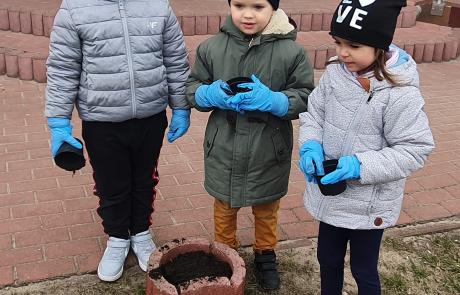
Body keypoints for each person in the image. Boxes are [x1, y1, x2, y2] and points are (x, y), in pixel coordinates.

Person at [45, 0, 190, 282]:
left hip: (150, 115)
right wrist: (59, 121)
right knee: (112, 184)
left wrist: (181, 106)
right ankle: (117, 238)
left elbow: (175, 59)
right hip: (102, 120)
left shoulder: (158, 6)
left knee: (145, 179)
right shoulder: (74, 9)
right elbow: (62, 67)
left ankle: (141, 232)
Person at [298, 0, 435, 294]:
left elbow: (414, 148)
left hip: (370, 202)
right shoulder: (336, 72)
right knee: (327, 259)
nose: (342, 52)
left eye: (354, 45)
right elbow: (314, 113)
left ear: (380, 45)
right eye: (337, 42)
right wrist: (310, 143)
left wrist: (359, 165)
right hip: (332, 195)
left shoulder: (400, 93)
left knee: (363, 268)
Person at [186, 0, 314, 290]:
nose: (247, 14)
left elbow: (305, 94)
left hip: (268, 148)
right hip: (224, 146)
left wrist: (277, 100)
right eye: (239, 5)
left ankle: (265, 253)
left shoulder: (291, 52)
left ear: (274, 8)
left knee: (267, 206)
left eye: (258, 6)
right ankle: (226, 252)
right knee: (224, 205)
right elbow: (191, 89)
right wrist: (210, 94)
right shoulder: (212, 48)